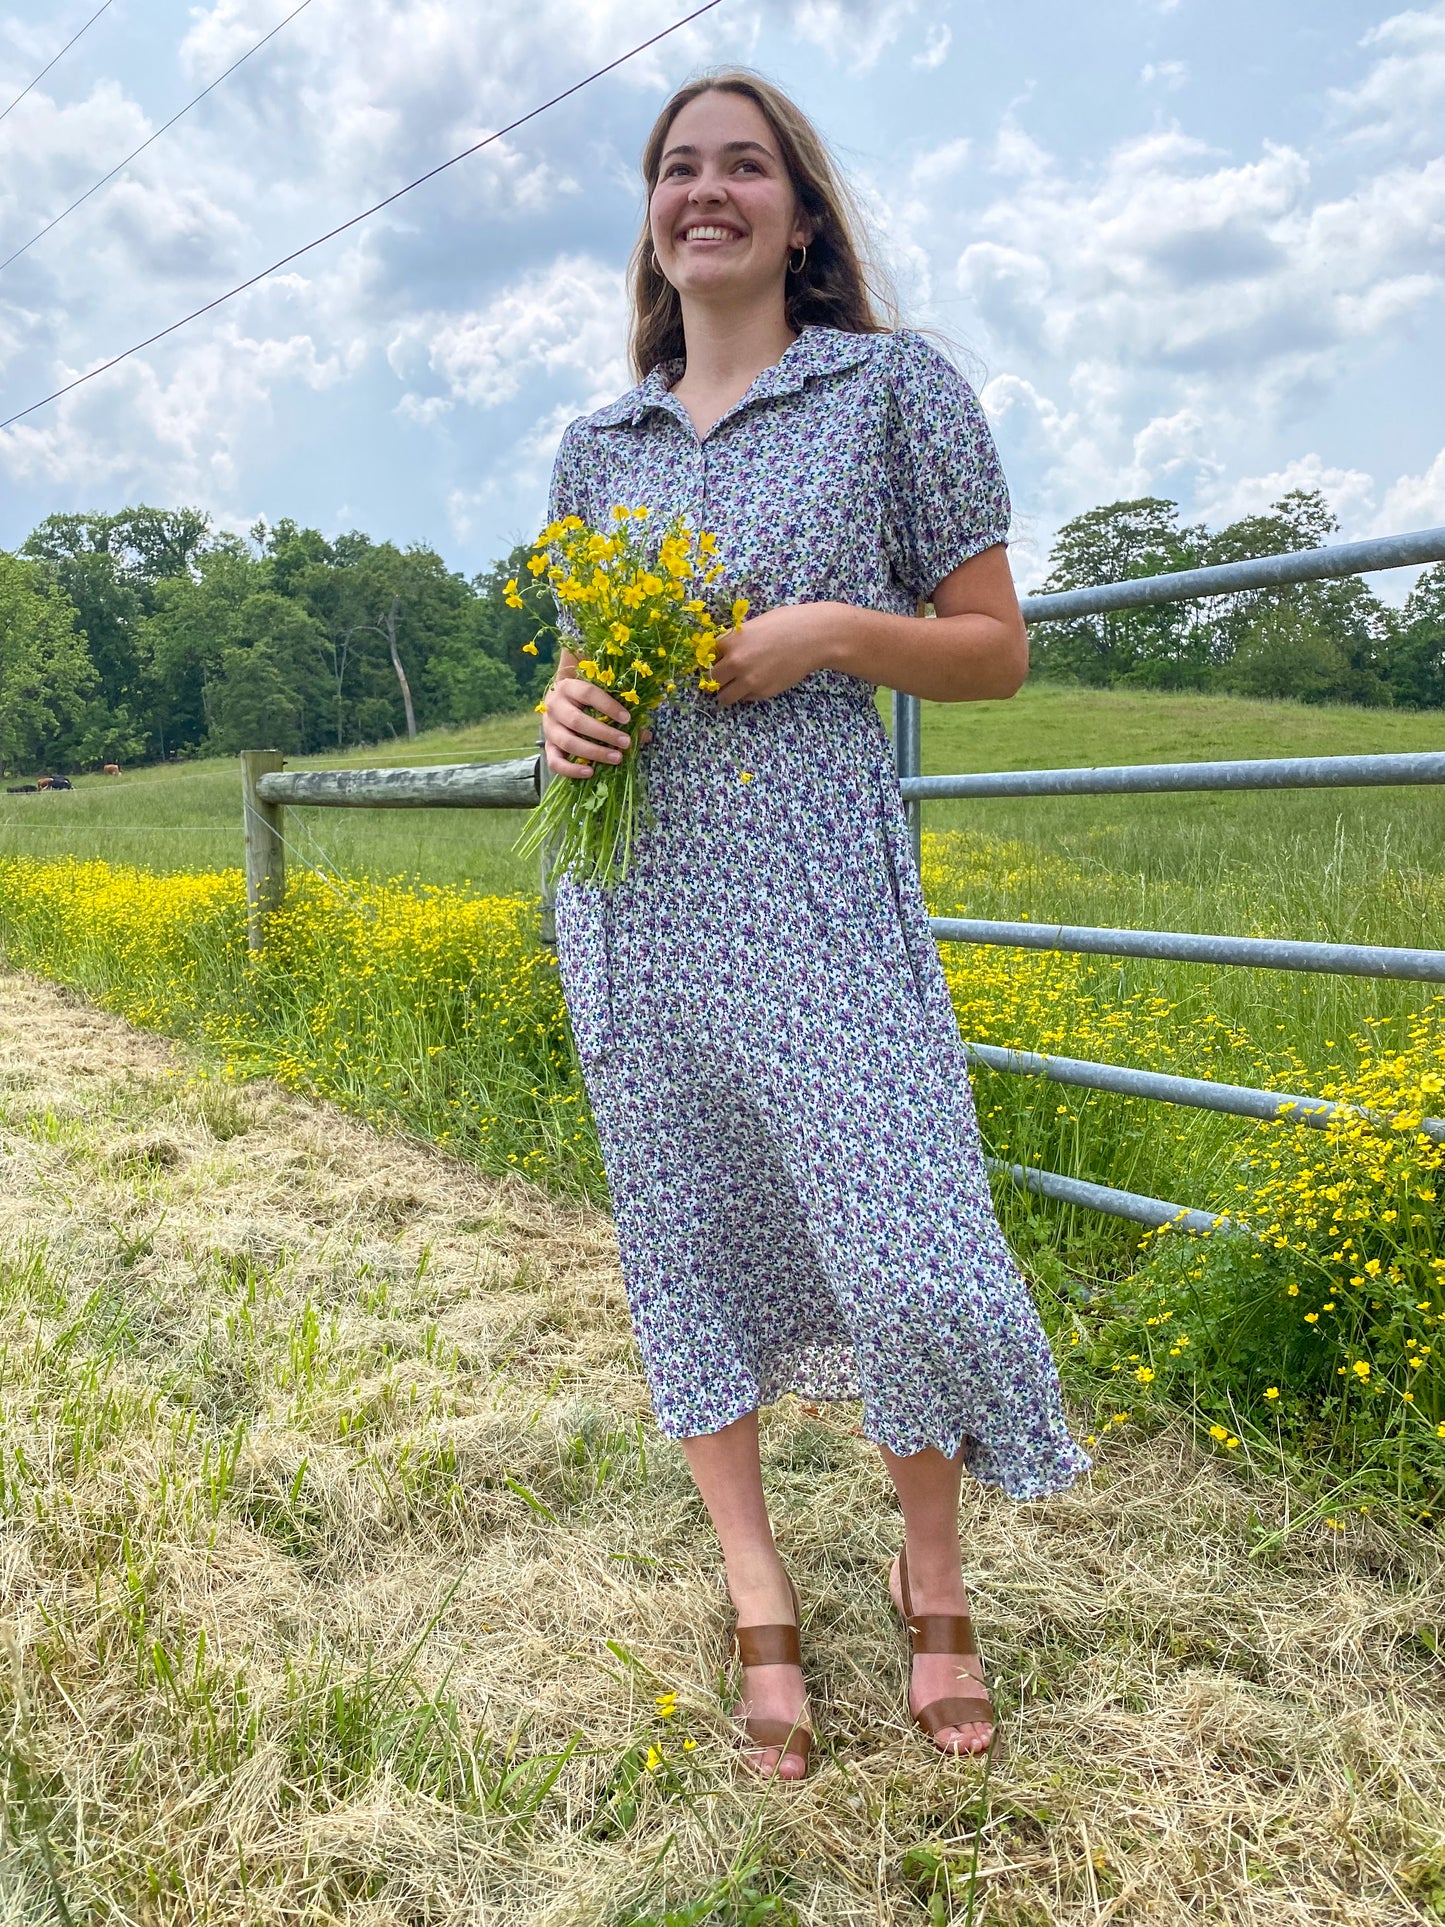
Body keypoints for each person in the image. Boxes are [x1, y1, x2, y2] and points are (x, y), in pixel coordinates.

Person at [539, 68, 1091, 1780]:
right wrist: (557, 718)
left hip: (819, 896)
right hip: (639, 901)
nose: (706, 192)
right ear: (652, 215)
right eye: (676, 169)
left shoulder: (889, 391)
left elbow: (994, 651)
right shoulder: (595, 443)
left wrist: (836, 630)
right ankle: (759, 1597)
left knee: (910, 1238)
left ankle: (936, 1586)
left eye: (742, 168)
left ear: (798, 210)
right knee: (687, 1246)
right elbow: (577, 664)